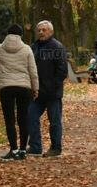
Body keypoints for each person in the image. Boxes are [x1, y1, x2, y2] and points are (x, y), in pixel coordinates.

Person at [0, 24, 38, 161]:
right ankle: (23, 150)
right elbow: (33, 71)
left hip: (6, 87)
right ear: (21, 35)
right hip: (24, 87)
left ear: (7, 34)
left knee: (9, 119)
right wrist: (35, 88)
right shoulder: (26, 49)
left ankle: (13, 149)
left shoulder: (0, 48)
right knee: (23, 119)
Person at [27, 20, 67, 158]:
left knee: (54, 121)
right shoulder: (33, 47)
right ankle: (35, 146)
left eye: (44, 30)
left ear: (51, 31)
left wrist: (52, 86)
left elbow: (62, 71)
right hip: (37, 92)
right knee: (31, 116)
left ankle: (56, 148)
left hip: (52, 93)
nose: (41, 32)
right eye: (39, 30)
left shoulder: (57, 47)